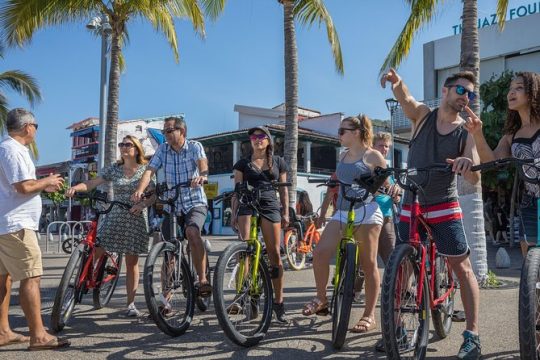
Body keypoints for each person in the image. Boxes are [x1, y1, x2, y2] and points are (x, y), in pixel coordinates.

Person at [381, 68, 482, 359]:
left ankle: (472, 336)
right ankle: (396, 327)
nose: (466, 97)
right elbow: (407, 100)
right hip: (412, 202)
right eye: (461, 90)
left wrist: (466, 160)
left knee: (462, 269)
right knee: (402, 267)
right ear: (446, 92)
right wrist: (397, 82)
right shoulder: (423, 116)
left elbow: (474, 175)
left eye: (470, 93)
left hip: (444, 206)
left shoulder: (466, 130)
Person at [302, 114, 386, 335]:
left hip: (366, 211)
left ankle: (369, 315)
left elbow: (385, 183)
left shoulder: (373, 155)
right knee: (319, 253)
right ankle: (321, 298)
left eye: (342, 131)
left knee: (368, 264)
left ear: (356, 133)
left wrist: (388, 186)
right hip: (342, 211)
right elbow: (337, 182)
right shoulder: (343, 155)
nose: (338, 135)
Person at [0, 108, 69, 350]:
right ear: (28, 126)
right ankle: (38, 336)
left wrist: (43, 187)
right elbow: (23, 187)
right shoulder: (13, 150)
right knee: (31, 277)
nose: (37, 130)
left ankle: (3, 331)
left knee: (3, 278)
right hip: (16, 225)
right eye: (36, 126)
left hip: (6, 223)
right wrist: (48, 181)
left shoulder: (6, 148)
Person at [66, 135, 154, 317]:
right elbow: (92, 182)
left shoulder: (145, 170)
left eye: (128, 144)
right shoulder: (115, 168)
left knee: (132, 263)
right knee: (98, 248)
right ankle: (85, 279)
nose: (123, 147)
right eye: (122, 144)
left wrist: (143, 204)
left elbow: (153, 195)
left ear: (136, 149)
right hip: (115, 214)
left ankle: (130, 305)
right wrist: (76, 188)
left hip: (136, 217)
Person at [132, 116, 211, 297]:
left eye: (168, 131)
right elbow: (149, 170)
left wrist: (202, 176)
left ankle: (202, 279)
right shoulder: (163, 149)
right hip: (172, 204)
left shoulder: (194, 146)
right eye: (163, 132)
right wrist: (139, 190)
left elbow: (202, 164)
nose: (165, 135)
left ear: (181, 131)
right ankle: (165, 298)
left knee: (192, 232)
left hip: (194, 201)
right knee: (168, 249)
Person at [464, 71, 540, 257]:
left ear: (532, 93)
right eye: (510, 89)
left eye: (519, 88)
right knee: (530, 261)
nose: (511, 93)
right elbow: (492, 160)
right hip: (530, 200)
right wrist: (477, 133)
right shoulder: (511, 136)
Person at [230, 126, 290, 323]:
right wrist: (234, 213)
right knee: (244, 251)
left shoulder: (279, 162)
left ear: (268, 140)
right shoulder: (242, 164)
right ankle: (247, 297)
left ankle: (278, 303)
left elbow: (284, 191)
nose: (257, 140)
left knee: (274, 253)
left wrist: (286, 212)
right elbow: (237, 191)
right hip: (247, 203)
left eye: (262, 136)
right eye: (254, 137)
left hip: (270, 203)